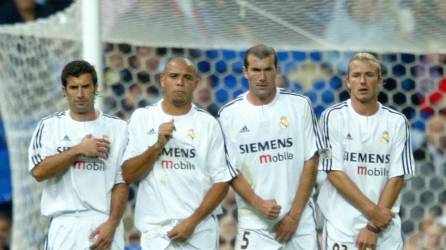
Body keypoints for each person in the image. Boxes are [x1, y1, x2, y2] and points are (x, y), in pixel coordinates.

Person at [121, 57, 235, 250]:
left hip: (199, 232)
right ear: (162, 80)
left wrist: (192, 222)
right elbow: (128, 174)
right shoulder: (143, 118)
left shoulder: (208, 124)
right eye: (174, 76)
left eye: (187, 77)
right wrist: (157, 146)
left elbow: (222, 181)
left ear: (195, 84)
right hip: (156, 233)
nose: (180, 82)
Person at [218, 44, 325, 250]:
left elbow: (311, 161)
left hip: (300, 223)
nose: (262, 77)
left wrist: (293, 217)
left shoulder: (300, 105)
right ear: (245, 72)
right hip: (255, 224)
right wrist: (259, 204)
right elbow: (230, 170)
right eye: (256, 70)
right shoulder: (229, 114)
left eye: (268, 69)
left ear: (277, 70)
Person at [317, 52, 415, 250]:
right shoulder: (331, 118)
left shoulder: (397, 122)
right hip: (342, 228)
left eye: (369, 75)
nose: (362, 81)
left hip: (384, 232)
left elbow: (397, 177)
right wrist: (374, 214)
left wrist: (373, 226)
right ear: (348, 82)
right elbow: (334, 173)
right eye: (356, 75)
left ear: (380, 81)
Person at [28, 60, 128, 249]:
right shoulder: (49, 126)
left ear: (96, 88)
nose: (80, 94)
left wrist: (112, 224)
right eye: (74, 88)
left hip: (104, 223)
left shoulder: (118, 128)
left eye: (85, 87)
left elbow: (121, 182)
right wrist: (78, 150)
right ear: (64, 91)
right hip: (64, 225)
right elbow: (39, 172)